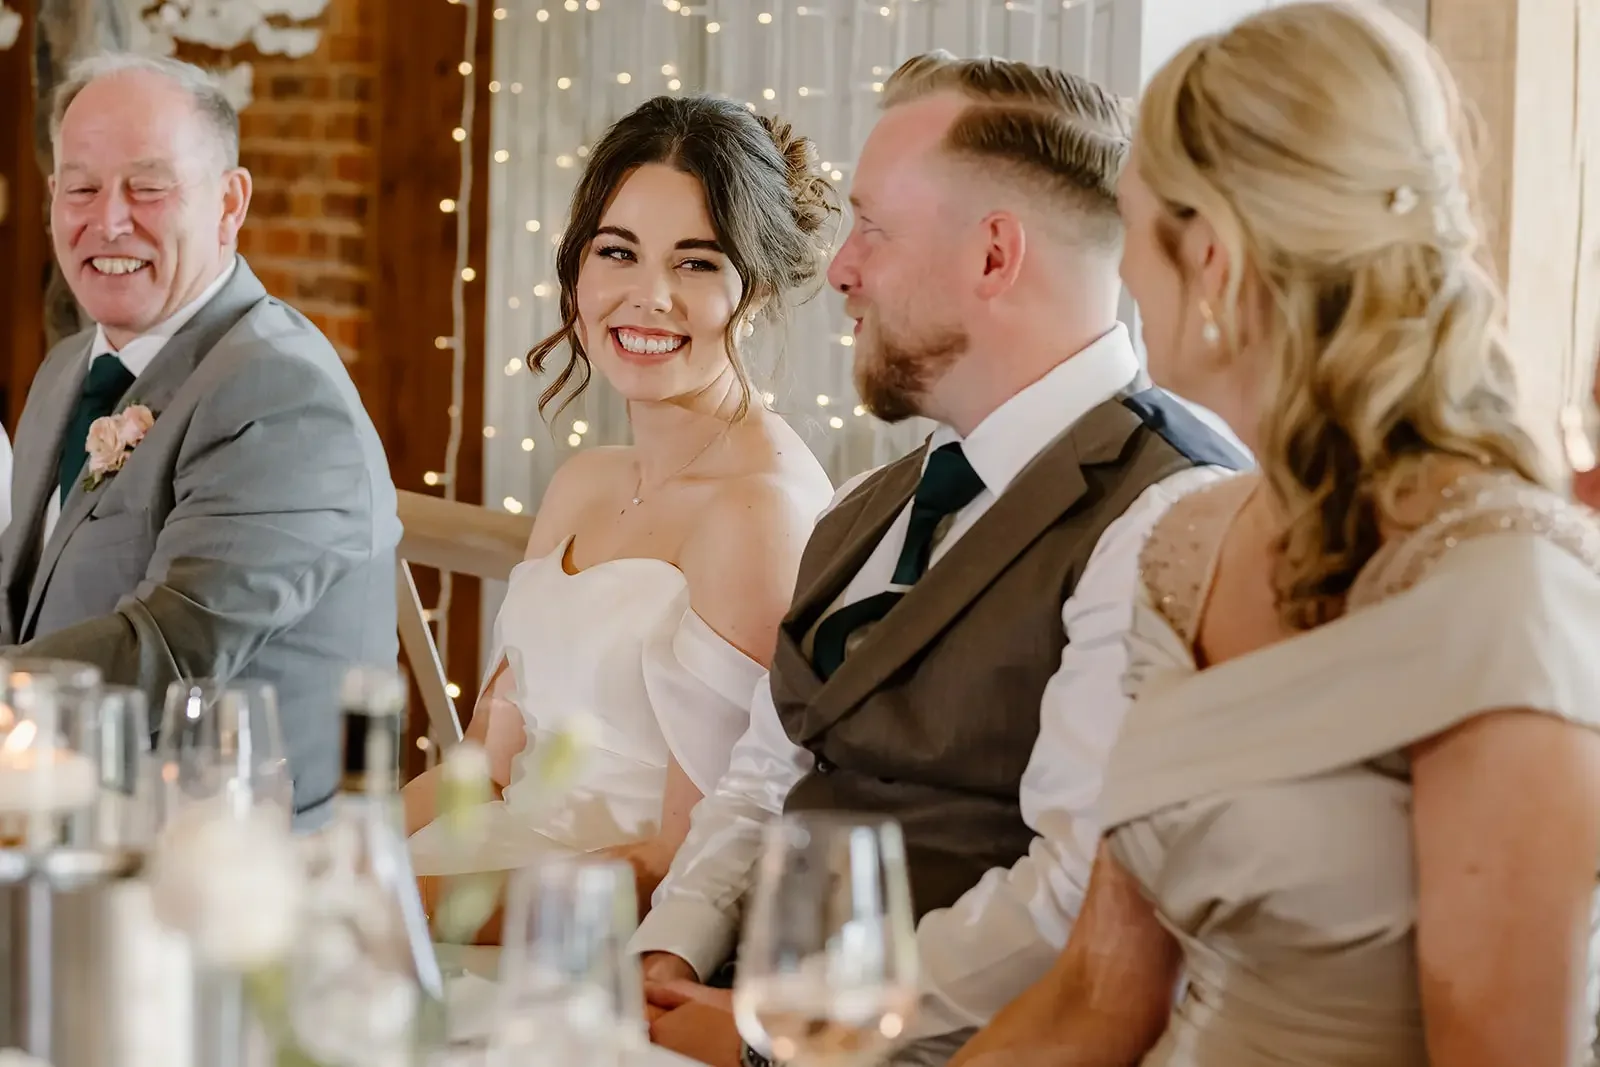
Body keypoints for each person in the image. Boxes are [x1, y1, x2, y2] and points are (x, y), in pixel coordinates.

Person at [947, 5, 1600, 1066]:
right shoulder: (1182, 545)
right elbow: (1097, 996)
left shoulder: (1507, 589)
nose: (1123, 286)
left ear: (1211, 257)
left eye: (1130, 230)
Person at [633, 53, 1247, 1067]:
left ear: (994, 255)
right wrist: (666, 952)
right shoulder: (870, 506)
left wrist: (783, 1027)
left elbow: (1068, 895)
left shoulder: (1167, 509)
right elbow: (764, 772)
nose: (838, 267)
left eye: (871, 225)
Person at [402, 95, 838, 934]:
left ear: (758, 288)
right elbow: (485, 769)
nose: (649, 297)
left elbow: (681, 864)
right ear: (577, 270)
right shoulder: (584, 482)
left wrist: (405, 912)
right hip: (464, 884)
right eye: (619, 253)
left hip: (582, 941)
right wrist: (328, 864)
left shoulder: (758, 512)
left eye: (697, 263)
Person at [0, 53, 398, 825]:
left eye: (147, 187)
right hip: (66, 808)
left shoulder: (281, 395)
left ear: (229, 201)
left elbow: (173, 653)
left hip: (241, 869)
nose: (108, 220)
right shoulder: (69, 368)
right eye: (81, 188)